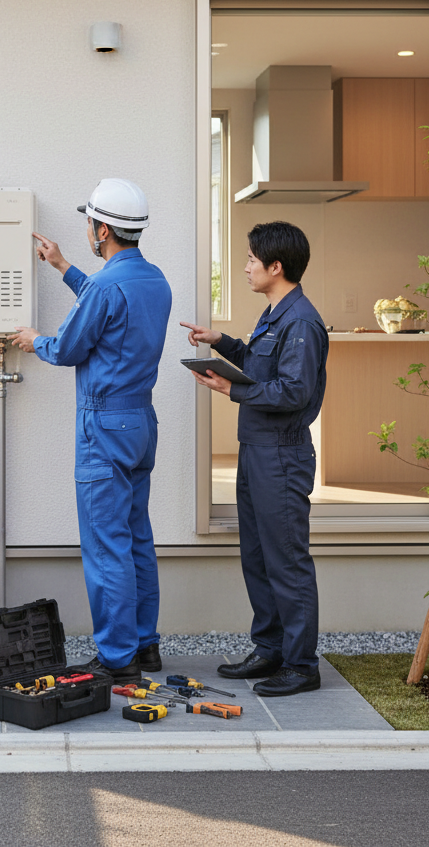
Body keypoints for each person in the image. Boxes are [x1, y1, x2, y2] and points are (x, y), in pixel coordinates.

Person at [10, 178, 172, 684]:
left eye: (89, 222)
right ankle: (145, 646)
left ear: (102, 229)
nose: (86, 228)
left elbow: (70, 347)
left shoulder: (107, 287)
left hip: (103, 426)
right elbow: (105, 304)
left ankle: (117, 657)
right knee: (136, 538)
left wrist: (36, 340)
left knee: (107, 547)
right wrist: (62, 266)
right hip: (140, 423)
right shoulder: (154, 280)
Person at [181, 221, 327, 696]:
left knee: (286, 560)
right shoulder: (274, 314)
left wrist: (230, 387)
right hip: (257, 452)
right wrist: (221, 343)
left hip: (281, 455)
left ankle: (301, 665)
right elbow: (258, 361)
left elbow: (293, 390)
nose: (245, 267)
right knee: (258, 557)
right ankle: (270, 651)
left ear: (276, 266)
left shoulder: (301, 321)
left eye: (250, 260)